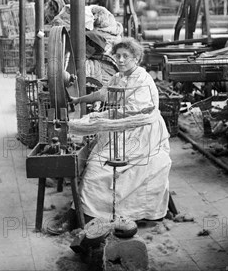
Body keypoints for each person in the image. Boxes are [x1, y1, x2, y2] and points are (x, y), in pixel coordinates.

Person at [69, 37, 172, 224]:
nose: (121, 60)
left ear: (136, 58)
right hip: (122, 128)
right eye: (118, 56)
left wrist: (102, 117)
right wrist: (80, 100)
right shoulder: (118, 77)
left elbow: (135, 110)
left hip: (143, 132)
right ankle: (90, 212)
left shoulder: (143, 79)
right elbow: (103, 93)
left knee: (98, 169)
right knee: (94, 160)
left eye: (126, 56)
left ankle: (95, 214)